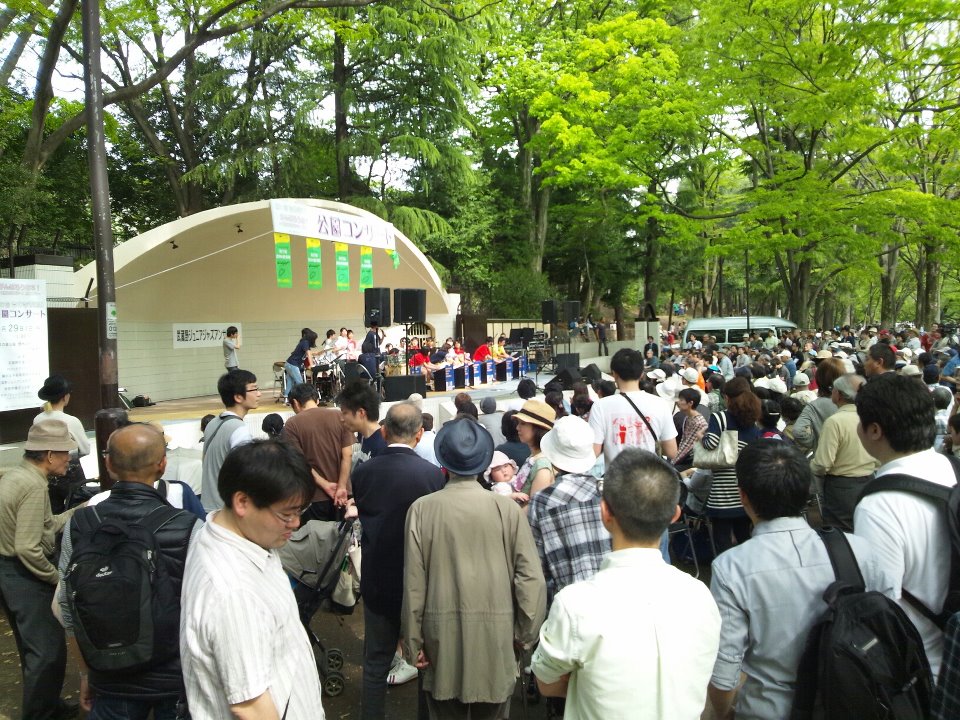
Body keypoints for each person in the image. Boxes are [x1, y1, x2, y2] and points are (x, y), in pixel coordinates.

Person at [705, 440, 892, 720]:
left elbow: (725, 670)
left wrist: (722, 712)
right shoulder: (860, 550)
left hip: (768, 709)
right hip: (853, 702)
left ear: (743, 496)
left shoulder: (731, 568)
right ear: (807, 491)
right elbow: (886, 625)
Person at [532, 449, 720, 719]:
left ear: (605, 512)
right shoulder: (700, 596)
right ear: (675, 515)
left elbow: (548, 682)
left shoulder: (574, 604)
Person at [402, 418, 546, 720]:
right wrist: (524, 634)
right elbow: (530, 578)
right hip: (498, 636)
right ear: (483, 462)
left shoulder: (421, 510)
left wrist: (413, 641)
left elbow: (414, 584)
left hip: (440, 639)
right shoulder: (507, 509)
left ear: (444, 460)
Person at [57, 424, 199, 719]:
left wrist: (86, 673)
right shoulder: (188, 526)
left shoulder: (80, 523)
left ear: (108, 464)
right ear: (162, 465)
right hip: (175, 678)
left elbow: (66, 605)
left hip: (109, 676)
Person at [180, 439, 324, 718]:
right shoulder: (235, 592)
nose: (296, 523)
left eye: (299, 512)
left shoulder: (231, 532)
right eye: (287, 514)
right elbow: (251, 705)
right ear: (242, 502)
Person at [854, 372, 957, 677]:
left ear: (875, 430)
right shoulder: (953, 469)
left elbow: (881, 601)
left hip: (925, 666)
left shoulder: (879, 505)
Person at [352, 402, 445, 720]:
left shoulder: (363, 473)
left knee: (375, 663)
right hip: (421, 583)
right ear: (419, 434)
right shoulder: (432, 475)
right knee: (424, 660)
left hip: (378, 579)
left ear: (383, 431)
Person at [0, 420, 82, 720]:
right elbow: (27, 548)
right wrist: (57, 579)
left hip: (8, 571)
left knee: (32, 647)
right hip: (23, 574)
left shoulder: (17, 475)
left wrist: (78, 511)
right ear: (49, 455)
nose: (69, 459)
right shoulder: (34, 486)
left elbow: (45, 526)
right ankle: (40, 714)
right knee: (46, 651)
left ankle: (47, 704)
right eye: (65, 453)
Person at [527, 416, 611, 603]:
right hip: (611, 593)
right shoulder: (607, 491)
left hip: (567, 601)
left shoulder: (543, 500)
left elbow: (537, 565)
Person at [699, 376, 764, 552]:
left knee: (722, 540)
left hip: (722, 492)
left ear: (726, 397)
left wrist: (701, 437)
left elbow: (711, 443)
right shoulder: (753, 423)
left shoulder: (720, 417)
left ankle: (725, 567)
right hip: (744, 491)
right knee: (744, 537)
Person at [809, 373, 877, 530]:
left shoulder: (835, 421)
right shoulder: (869, 417)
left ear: (838, 394)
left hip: (841, 486)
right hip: (869, 480)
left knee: (840, 533)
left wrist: (811, 466)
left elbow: (822, 464)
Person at [589, 348, 678, 465]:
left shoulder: (600, 406)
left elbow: (593, 452)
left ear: (614, 374)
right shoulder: (660, 404)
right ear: (642, 374)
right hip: (649, 474)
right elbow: (672, 452)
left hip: (615, 475)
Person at [282, 382, 354, 519]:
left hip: (315, 497)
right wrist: (341, 486)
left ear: (295, 403)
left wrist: (325, 485)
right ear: (317, 400)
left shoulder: (292, 425)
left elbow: (300, 463)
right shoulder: (339, 416)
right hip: (344, 495)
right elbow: (348, 455)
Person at [200, 370, 259, 512]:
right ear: (238, 397)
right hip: (227, 511)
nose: (259, 393)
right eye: (254, 389)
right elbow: (246, 474)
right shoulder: (239, 429)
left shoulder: (213, 423)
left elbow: (204, 460)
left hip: (208, 507)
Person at [34, 375, 91, 512]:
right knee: (77, 509)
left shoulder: (37, 419)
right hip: (69, 472)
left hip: (46, 471)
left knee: (53, 511)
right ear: (65, 397)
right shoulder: (71, 421)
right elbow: (85, 449)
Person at [792, 357, 844, 453]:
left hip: (823, 455)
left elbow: (798, 431)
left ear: (819, 379)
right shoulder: (853, 402)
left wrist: (816, 443)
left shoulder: (813, 406)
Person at [512, 399, 558, 504]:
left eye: (523, 423)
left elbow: (533, 507)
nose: (517, 427)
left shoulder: (542, 465)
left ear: (538, 428)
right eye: (518, 423)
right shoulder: (535, 456)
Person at [339, 380, 386, 467]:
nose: (341, 419)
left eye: (345, 413)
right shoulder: (365, 437)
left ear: (361, 412)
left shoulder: (382, 446)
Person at [284, 328, 319, 398]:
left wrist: (316, 353)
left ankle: (286, 397)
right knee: (300, 383)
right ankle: (304, 398)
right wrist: (311, 365)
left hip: (289, 364)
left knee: (290, 383)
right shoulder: (305, 342)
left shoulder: (303, 342)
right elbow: (308, 354)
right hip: (292, 364)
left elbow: (307, 353)